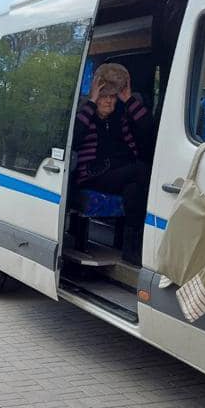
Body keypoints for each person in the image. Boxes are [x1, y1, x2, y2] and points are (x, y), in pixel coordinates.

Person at [73, 62, 152, 264]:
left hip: (120, 172)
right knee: (141, 171)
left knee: (134, 190)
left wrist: (129, 99)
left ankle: (131, 250)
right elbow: (73, 138)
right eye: (103, 97)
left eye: (112, 97)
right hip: (94, 173)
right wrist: (91, 102)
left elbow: (149, 130)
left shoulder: (122, 116)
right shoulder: (86, 115)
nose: (108, 102)